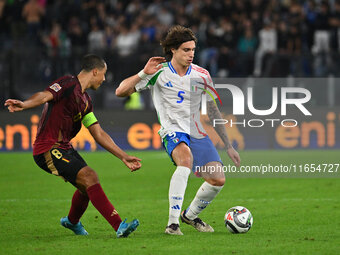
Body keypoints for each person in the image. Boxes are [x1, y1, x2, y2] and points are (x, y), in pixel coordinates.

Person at [116, 25, 241, 235]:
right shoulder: (159, 72)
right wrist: (142, 73)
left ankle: (189, 216)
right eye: (186, 50)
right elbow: (120, 91)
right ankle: (172, 224)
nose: (191, 54)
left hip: (196, 132)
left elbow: (212, 110)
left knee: (218, 179)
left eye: (193, 49)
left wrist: (228, 145)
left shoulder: (202, 75)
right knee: (185, 160)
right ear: (173, 50)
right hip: (172, 130)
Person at [4, 54, 141, 238]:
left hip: (64, 147)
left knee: (87, 187)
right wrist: (25, 104)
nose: (104, 78)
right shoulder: (67, 83)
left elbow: (98, 133)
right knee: (90, 176)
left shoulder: (86, 102)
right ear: (95, 71)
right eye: (103, 74)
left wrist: (123, 156)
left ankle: (72, 221)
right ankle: (119, 226)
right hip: (47, 148)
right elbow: (45, 95)